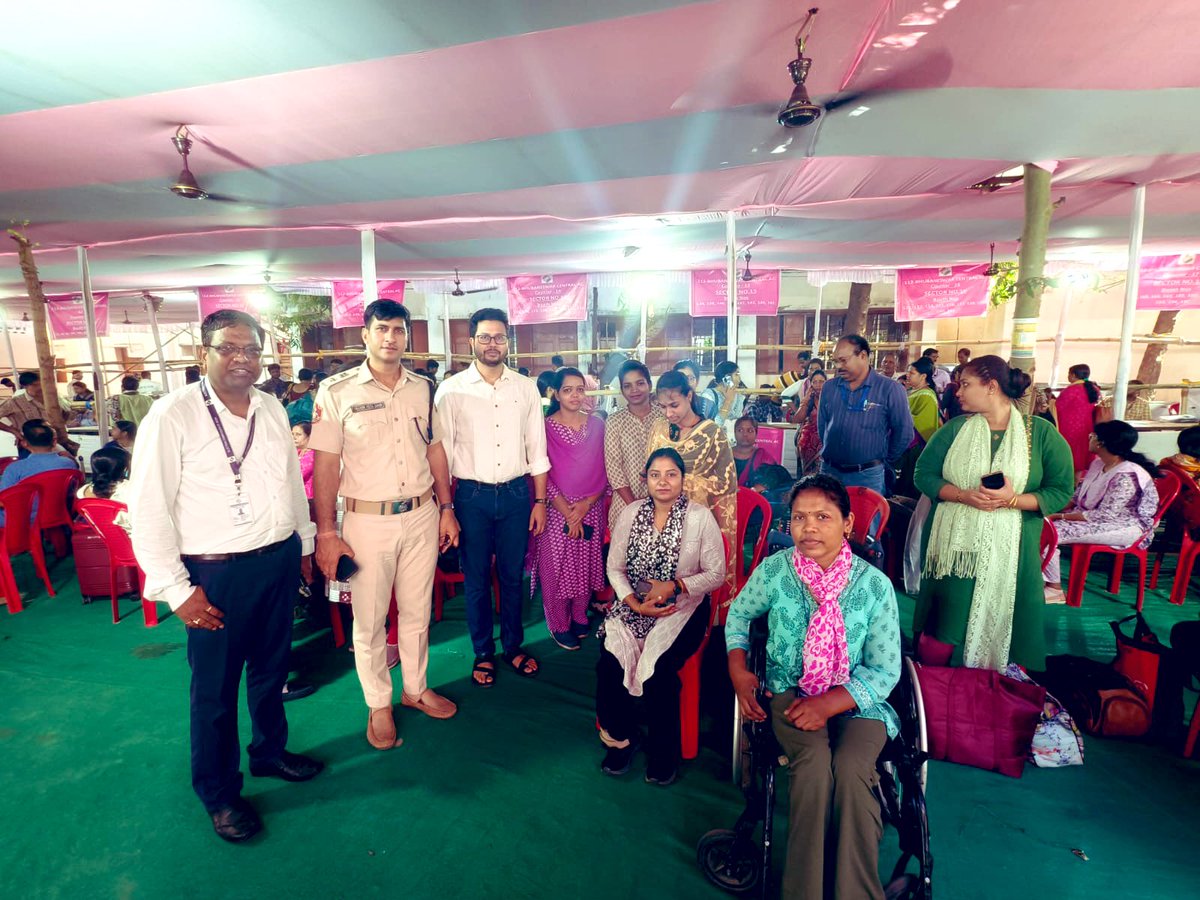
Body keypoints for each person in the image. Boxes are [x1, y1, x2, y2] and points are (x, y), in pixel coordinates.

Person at [127, 309, 322, 843]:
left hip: (276, 562)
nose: (242, 359)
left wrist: (302, 547)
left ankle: (269, 753)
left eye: (252, 350)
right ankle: (218, 792)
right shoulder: (172, 415)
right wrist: (176, 588)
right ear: (202, 354)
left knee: (270, 670)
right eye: (229, 348)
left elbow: (288, 483)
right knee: (213, 691)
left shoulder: (273, 409)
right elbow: (147, 510)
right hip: (213, 575)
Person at [726, 474, 901, 900]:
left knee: (854, 768)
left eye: (823, 517)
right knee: (814, 767)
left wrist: (829, 704)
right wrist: (738, 670)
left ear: (847, 523)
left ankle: (855, 892)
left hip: (859, 698)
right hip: (789, 689)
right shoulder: (776, 571)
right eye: (799, 517)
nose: (808, 528)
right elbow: (738, 617)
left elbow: (884, 670)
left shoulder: (873, 585)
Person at [311, 299, 461, 748]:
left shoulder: (423, 387)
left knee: (416, 612)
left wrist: (447, 506)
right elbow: (325, 466)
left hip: (421, 513)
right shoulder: (337, 392)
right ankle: (379, 703)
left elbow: (434, 449)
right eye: (382, 329)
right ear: (366, 334)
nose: (391, 338)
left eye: (398, 330)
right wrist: (326, 534)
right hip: (366, 521)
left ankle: (415, 689)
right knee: (370, 619)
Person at [914, 355, 1074, 670]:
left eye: (966, 384)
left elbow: (1060, 490)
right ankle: (930, 691)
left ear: (991, 386)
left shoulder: (1039, 434)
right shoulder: (955, 429)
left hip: (1013, 551)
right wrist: (962, 495)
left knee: (1013, 624)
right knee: (942, 627)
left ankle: (999, 699)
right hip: (956, 551)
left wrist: (1012, 500)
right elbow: (924, 474)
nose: (957, 392)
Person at [596, 447, 726, 783]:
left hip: (682, 609)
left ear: (683, 480)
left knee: (660, 670)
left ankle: (663, 751)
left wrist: (676, 585)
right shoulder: (631, 513)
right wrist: (633, 602)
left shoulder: (700, 517)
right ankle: (622, 739)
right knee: (609, 661)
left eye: (671, 474)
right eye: (655, 475)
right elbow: (615, 567)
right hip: (634, 606)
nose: (663, 481)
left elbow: (716, 574)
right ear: (645, 480)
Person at [435, 308, 548, 686]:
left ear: (508, 342)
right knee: (477, 579)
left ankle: (513, 646)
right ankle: (483, 652)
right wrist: (446, 508)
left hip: (518, 494)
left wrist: (540, 501)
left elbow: (538, 448)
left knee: (513, 576)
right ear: (471, 341)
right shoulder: (451, 390)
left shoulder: (524, 387)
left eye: (499, 337)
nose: (492, 343)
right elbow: (441, 453)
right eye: (484, 337)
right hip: (470, 497)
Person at [532, 367, 609, 650]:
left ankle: (579, 616)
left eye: (580, 389)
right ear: (555, 393)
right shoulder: (544, 427)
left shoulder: (598, 425)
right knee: (556, 566)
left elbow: (606, 468)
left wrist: (587, 504)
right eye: (568, 390)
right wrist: (567, 510)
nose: (575, 395)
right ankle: (558, 623)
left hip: (591, 506)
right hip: (555, 509)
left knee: (585, 564)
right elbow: (541, 471)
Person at [1042, 420, 1161, 602]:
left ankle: (1054, 588)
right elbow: (1077, 498)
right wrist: (1047, 509)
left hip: (1124, 526)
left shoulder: (1126, 475)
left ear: (1101, 443)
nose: (1089, 438)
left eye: (1093, 436)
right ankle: (1042, 581)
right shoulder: (1099, 464)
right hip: (1096, 519)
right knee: (1038, 524)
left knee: (1050, 532)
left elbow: (1105, 515)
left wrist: (1060, 516)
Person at [647, 370, 736, 591]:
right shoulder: (659, 428)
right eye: (662, 406)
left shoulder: (712, 434)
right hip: (660, 517)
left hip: (695, 521)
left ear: (689, 396)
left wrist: (688, 484)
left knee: (691, 584)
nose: (668, 413)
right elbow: (649, 471)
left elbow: (725, 487)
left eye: (674, 405)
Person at [818, 335, 913, 496]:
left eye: (843, 360)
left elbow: (904, 433)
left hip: (867, 476)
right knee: (828, 520)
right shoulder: (829, 387)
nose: (838, 366)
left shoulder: (890, 389)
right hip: (830, 472)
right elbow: (823, 427)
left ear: (863, 356)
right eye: (835, 361)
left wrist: (881, 461)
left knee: (866, 521)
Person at [603, 360, 665, 530]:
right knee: (626, 555)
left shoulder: (664, 417)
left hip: (663, 502)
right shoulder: (615, 421)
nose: (634, 390)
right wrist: (636, 506)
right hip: (625, 505)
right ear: (622, 391)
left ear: (649, 385)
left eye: (640, 383)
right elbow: (613, 468)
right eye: (628, 386)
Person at [0, 420, 80, 524]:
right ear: (54, 441)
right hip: (59, 514)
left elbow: (4, 501)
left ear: (24, 443)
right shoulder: (69, 463)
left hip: (23, 520)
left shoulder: (14, 469)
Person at [0, 372, 78, 458]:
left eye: (42, 383)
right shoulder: (14, 402)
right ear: (25, 386)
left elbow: (68, 415)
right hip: (30, 445)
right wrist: (13, 430)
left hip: (57, 442)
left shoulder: (54, 398)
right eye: (35, 385)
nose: (40, 387)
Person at [896, 357, 941, 497]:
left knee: (909, 482)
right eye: (908, 372)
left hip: (915, 446)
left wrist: (898, 414)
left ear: (923, 376)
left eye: (912, 373)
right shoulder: (913, 392)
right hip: (905, 445)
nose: (908, 375)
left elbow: (924, 423)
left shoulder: (927, 395)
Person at [1053, 363, 1101, 475]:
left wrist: (1051, 402)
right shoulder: (1094, 389)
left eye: (1069, 374)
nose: (1068, 376)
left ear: (1074, 375)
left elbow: (1058, 406)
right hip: (1087, 426)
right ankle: (1077, 479)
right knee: (1082, 452)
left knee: (1069, 452)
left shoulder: (1071, 390)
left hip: (1069, 427)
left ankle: (1068, 482)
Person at [796, 369, 827, 476]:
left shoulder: (831, 400)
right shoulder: (809, 401)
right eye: (815, 382)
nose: (818, 385)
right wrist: (805, 400)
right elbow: (798, 419)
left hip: (825, 444)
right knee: (809, 479)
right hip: (807, 444)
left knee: (823, 478)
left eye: (821, 381)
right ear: (811, 384)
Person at [700, 361, 743, 426]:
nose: (739, 379)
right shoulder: (708, 395)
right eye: (736, 374)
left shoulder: (738, 397)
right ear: (727, 378)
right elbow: (714, 425)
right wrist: (728, 401)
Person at [732, 416, 769, 488]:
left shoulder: (762, 456)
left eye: (750, 431)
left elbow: (777, 474)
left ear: (756, 434)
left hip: (752, 497)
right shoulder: (724, 455)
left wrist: (761, 486)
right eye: (740, 430)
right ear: (734, 433)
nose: (745, 434)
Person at [292, 422, 314, 499]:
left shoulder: (312, 455)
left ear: (308, 437)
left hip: (308, 499)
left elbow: (299, 476)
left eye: (298, 434)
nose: (294, 437)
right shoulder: (296, 452)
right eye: (292, 434)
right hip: (295, 497)